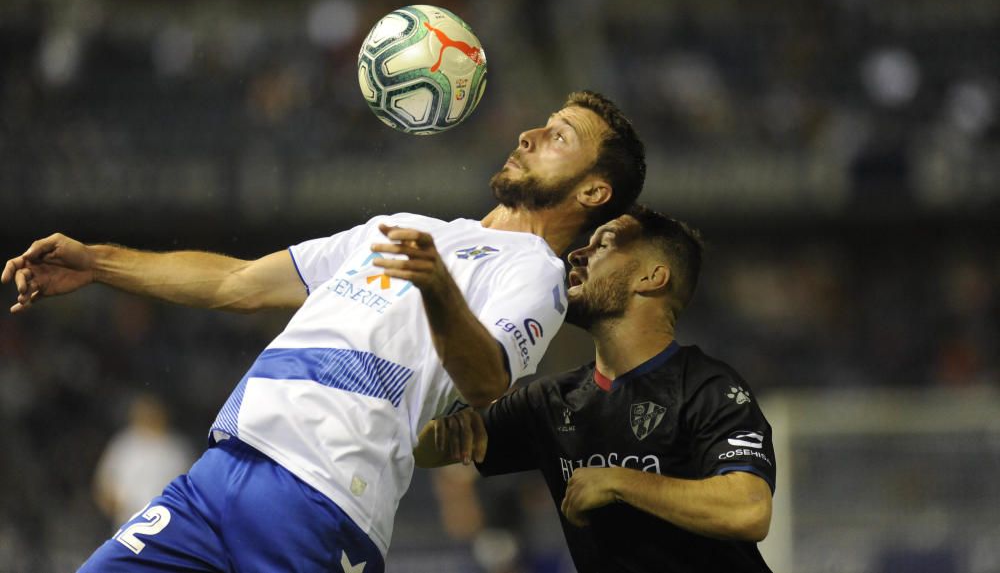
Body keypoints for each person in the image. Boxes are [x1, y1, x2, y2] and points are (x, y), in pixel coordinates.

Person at [2, 90, 645, 573]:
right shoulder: (394, 228)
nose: (531, 133)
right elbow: (237, 283)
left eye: (559, 136)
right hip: (219, 475)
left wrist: (439, 288)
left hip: (323, 497)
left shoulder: (537, 274)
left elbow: (485, 380)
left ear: (593, 191)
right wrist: (98, 263)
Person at [416, 206, 776, 573]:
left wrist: (620, 481)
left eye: (603, 244)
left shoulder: (706, 387)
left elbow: (749, 510)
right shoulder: (551, 402)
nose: (576, 254)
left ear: (652, 278)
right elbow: (426, 449)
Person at [93, 393, 196, 528]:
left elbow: (193, 490)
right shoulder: (124, 445)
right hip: (129, 528)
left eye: (153, 413)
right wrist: (122, 509)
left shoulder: (177, 449)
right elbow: (104, 487)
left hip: (169, 526)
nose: (149, 418)